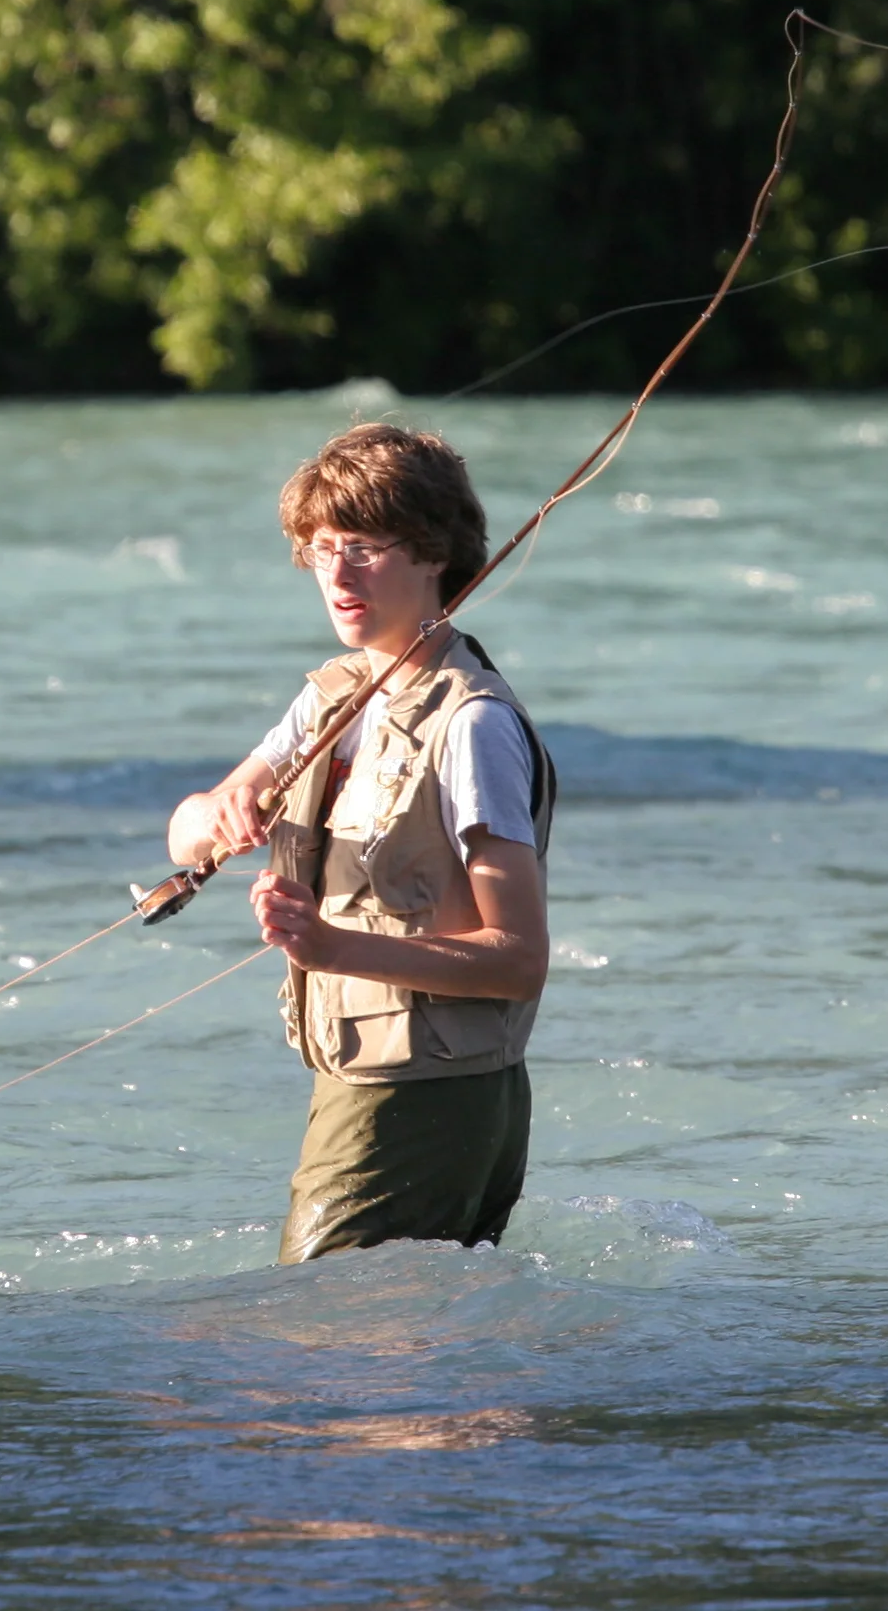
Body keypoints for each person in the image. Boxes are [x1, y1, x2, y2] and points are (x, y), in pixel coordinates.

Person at [164, 422, 557, 1264]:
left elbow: (518, 959)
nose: (336, 576)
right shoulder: (336, 696)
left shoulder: (473, 724)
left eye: (368, 548)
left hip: (426, 1100)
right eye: (320, 548)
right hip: (357, 1083)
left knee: (314, 1349)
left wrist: (327, 944)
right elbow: (185, 829)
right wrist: (224, 806)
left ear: (435, 555)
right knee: (389, 1372)